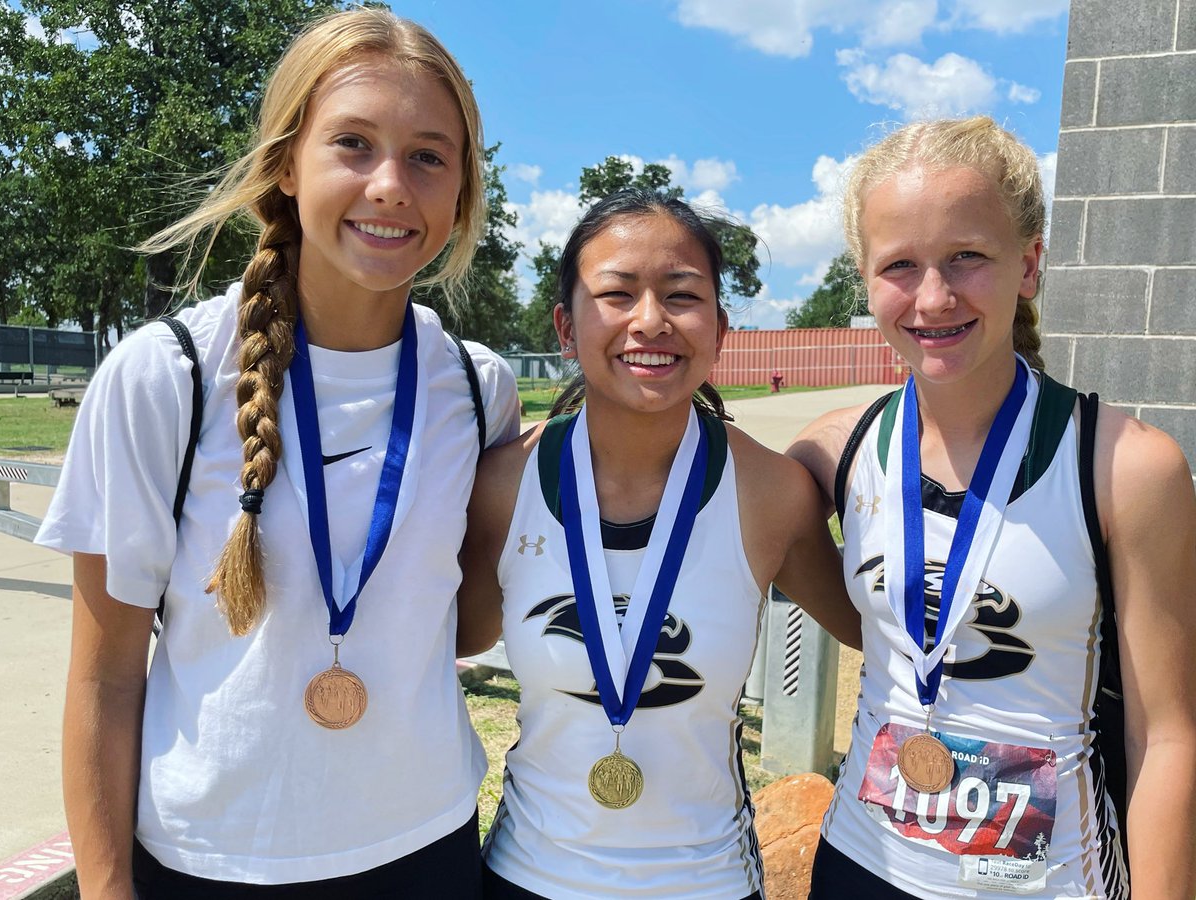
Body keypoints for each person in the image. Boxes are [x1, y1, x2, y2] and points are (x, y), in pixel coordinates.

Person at [35, 9, 519, 898]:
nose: (390, 185)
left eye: (427, 156)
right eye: (353, 144)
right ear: (286, 164)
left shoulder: (476, 386)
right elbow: (103, 681)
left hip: (428, 849)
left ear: (461, 189)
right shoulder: (164, 376)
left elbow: (461, 622)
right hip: (208, 863)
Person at [787, 116, 1196, 899]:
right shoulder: (835, 451)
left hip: (1047, 881)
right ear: (866, 280)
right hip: (860, 868)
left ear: (1030, 264)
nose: (933, 297)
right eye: (899, 265)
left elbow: (1167, 735)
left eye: (966, 257)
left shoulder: (1125, 468)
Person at [457, 189, 860, 900]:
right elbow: (458, 632)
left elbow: (881, 634)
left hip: (707, 881)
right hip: (527, 874)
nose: (650, 321)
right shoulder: (502, 485)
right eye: (616, 294)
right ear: (565, 327)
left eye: (681, 295)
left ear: (720, 328)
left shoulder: (770, 494)